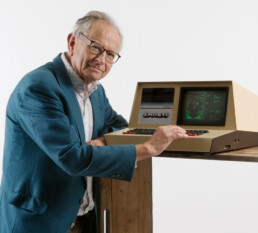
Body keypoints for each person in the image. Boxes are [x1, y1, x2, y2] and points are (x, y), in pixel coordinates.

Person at [0, 11, 188, 233]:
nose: (102, 59)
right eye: (96, 47)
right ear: (72, 42)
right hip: (39, 222)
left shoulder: (95, 92)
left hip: (83, 219)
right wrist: (147, 148)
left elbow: (119, 124)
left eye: (110, 54)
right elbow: (71, 157)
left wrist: (103, 140)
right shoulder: (39, 87)